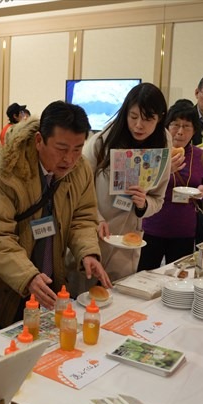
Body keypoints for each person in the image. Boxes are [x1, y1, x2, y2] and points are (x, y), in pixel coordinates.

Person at [0, 101, 112, 330]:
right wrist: (27, 276)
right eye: (61, 148)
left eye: (77, 149)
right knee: (8, 347)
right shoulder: (4, 169)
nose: (70, 159)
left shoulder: (80, 169)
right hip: (9, 282)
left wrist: (87, 252)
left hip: (52, 280)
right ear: (39, 141)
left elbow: (83, 217)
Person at [78, 82, 171, 282]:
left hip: (128, 238)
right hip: (95, 230)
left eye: (148, 119)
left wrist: (144, 204)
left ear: (160, 118)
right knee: (84, 291)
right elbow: (80, 188)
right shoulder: (102, 140)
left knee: (117, 294)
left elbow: (158, 199)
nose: (139, 125)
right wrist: (96, 218)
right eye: (133, 117)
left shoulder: (163, 143)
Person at [138, 104, 203, 270]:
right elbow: (141, 187)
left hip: (184, 230)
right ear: (166, 127)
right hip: (151, 227)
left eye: (186, 126)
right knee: (143, 275)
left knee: (180, 279)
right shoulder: (154, 153)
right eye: (175, 125)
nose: (180, 131)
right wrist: (166, 171)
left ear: (194, 130)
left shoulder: (200, 156)